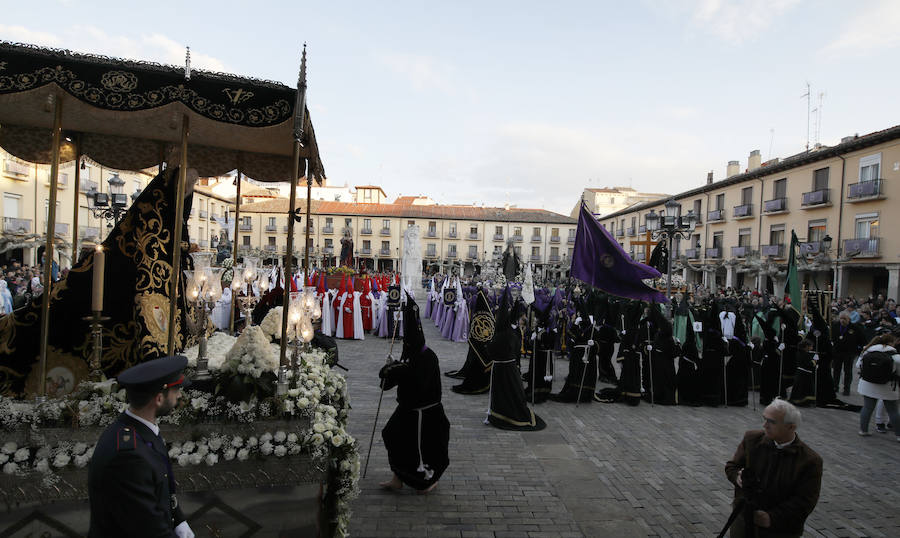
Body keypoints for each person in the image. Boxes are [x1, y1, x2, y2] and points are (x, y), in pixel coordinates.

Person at [88, 356, 194, 538]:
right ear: (159, 399)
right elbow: (147, 528)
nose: (179, 395)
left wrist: (179, 520)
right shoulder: (129, 456)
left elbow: (163, 489)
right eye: (176, 390)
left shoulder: (139, 430)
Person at [379, 291, 450, 493]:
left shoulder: (428, 357)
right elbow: (394, 379)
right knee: (391, 435)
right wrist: (389, 371)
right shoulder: (410, 353)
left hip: (425, 414)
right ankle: (397, 477)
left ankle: (427, 481)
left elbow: (419, 383)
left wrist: (400, 370)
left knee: (421, 450)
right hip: (408, 409)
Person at [724, 399, 823, 537]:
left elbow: (805, 501)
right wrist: (738, 477)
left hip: (779, 530)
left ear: (791, 427)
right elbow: (732, 466)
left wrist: (772, 517)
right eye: (765, 419)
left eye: (772, 422)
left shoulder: (809, 461)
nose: (765, 425)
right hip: (743, 522)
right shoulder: (752, 439)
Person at [855, 333, 900, 440]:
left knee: (867, 407)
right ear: (890, 343)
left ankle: (863, 430)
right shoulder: (896, 356)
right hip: (887, 386)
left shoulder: (867, 352)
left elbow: (858, 366)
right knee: (893, 411)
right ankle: (899, 435)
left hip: (867, 384)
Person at [831, 311, 865, 396]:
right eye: (841, 318)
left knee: (848, 371)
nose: (842, 321)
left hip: (849, 353)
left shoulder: (855, 328)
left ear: (849, 319)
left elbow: (861, 340)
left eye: (844, 319)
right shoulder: (835, 326)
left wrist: (857, 351)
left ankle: (847, 388)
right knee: (836, 370)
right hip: (837, 352)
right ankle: (835, 386)